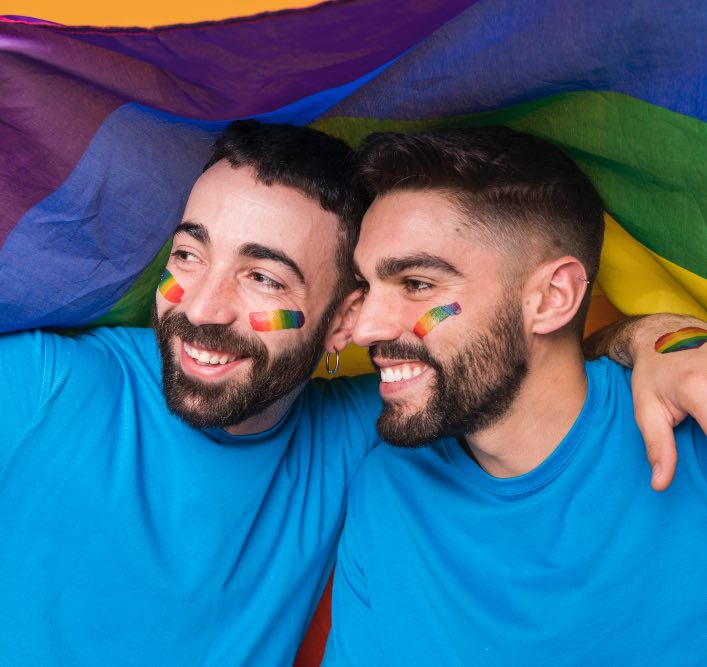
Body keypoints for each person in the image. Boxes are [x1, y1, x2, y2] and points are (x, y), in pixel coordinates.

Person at [0, 120, 700, 665]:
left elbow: (524, 363)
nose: (202, 306)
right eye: (187, 254)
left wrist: (665, 344)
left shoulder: (378, 438)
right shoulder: (46, 387)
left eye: (264, 278)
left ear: (338, 320)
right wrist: (664, 339)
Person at [324, 126, 707, 665]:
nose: (365, 330)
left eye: (417, 284)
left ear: (552, 298)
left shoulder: (692, 424)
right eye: (366, 288)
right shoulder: (385, 491)